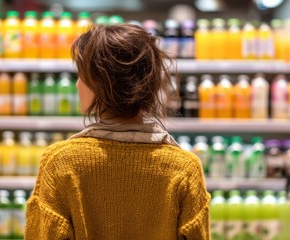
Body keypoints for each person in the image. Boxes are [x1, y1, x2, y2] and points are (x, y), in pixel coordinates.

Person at [25, 24, 210, 240]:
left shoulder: (60, 162)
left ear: (101, 84)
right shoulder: (185, 167)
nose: (77, 84)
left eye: (82, 75)